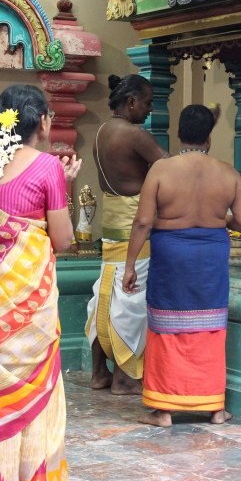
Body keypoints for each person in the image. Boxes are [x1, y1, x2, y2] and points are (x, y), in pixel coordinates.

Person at [0, 84, 81, 481]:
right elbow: (64, 241)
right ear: (45, 123)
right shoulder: (50, 167)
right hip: (28, 312)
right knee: (29, 396)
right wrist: (66, 188)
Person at [121, 104, 241, 427]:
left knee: (168, 326)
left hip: (171, 255)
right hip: (211, 258)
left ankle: (164, 410)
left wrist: (129, 265)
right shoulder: (229, 174)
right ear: (209, 137)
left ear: (179, 134)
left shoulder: (161, 172)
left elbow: (142, 223)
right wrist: (217, 217)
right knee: (210, 326)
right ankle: (216, 408)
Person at [85, 74, 168, 395]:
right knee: (131, 300)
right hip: (136, 224)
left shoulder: (101, 131)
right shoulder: (134, 134)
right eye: (147, 102)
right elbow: (168, 168)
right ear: (131, 102)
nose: (149, 109)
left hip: (111, 223)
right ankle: (124, 377)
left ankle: (99, 374)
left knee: (104, 296)